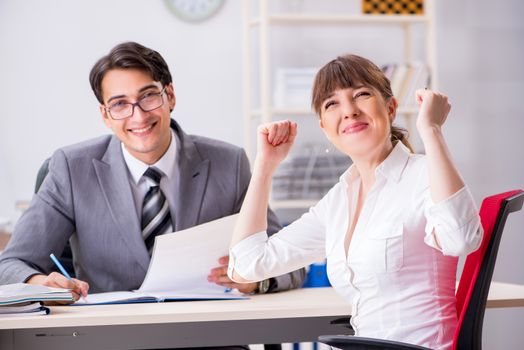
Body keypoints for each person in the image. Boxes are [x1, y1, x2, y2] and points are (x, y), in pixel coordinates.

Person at [0, 42, 305, 304]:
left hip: (207, 337)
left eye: (148, 96)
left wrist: (256, 281)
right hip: (110, 340)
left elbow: (289, 260)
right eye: (120, 104)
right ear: (105, 115)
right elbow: (11, 264)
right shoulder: (71, 168)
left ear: (169, 95)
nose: (138, 115)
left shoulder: (229, 163)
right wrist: (38, 284)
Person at [227, 54, 483, 350]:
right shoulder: (339, 200)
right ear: (325, 127)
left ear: (390, 107)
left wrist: (432, 130)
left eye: (361, 94)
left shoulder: (424, 173)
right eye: (332, 103)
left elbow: (462, 240)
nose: (348, 111)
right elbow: (246, 266)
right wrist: (265, 167)